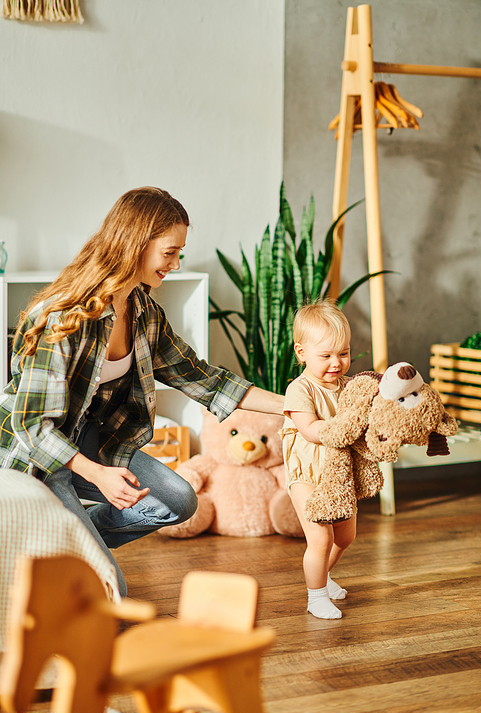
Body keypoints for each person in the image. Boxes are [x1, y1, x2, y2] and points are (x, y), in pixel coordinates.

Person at [0, 186, 284, 596]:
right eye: (170, 252)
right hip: (36, 456)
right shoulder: (63, 316)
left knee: (179, 502)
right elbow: (30, 425)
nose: (176, 262)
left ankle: (75, 539)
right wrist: (98, 474)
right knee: (111, 591)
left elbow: (203, 378)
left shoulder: (144, 312)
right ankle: (73, 549)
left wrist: (292, 405)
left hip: (91, 440)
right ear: (135, 243)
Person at [280, 301, 355, 620]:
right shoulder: (300, 389)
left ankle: (323, 575)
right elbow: (310, 430)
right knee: (320, 537)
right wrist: (346, 425)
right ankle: (316, 596)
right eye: (325, 356)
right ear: (301, 352)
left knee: (345, 536)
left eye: (343, 353)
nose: (336, 363)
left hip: (338, 477)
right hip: (306, 476)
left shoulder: (350, 387)